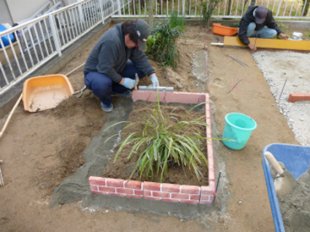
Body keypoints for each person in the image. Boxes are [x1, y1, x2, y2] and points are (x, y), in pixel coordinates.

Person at [83, 19, 159, 112]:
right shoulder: (112, 41)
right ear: (128, 36)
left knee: (142, 69)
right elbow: (104, 68)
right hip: (97, 72)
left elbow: (140, 58)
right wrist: (122, 81)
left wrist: (152, 75)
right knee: (102, 84)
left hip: (115, 68)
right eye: (136, 43)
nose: (136, 46)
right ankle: (105, 101)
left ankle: (115, 90)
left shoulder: (131, 39)